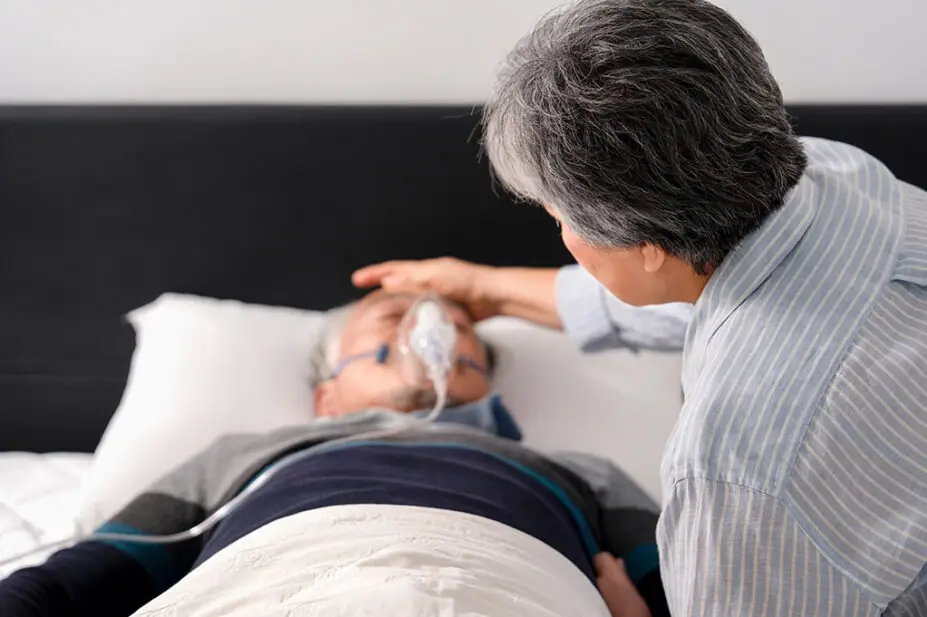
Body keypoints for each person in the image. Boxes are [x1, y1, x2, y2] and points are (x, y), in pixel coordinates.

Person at [353, 1, 927, 615]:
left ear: (647, 247)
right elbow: (715, 295)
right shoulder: (838, 176)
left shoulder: (736, 477)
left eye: (557, 216)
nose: (558, 228)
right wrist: (490, 290)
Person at [0, 290, 669, 617]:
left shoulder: (586, 473)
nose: (424, 329)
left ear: (485, 382)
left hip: (506, 584)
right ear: (326, 395)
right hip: (273, 580)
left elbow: (692, 593)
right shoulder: (241, 455)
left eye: (457, 328)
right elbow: (87, 573)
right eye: (387, 320)